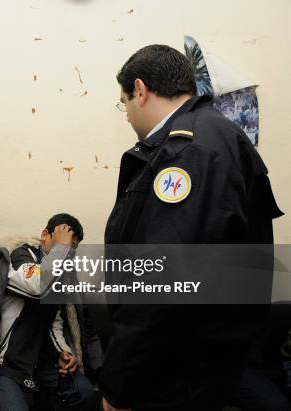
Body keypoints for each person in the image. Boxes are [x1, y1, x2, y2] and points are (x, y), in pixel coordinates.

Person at [101, 44, 283, 411]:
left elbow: (162, 277)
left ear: (140, 90)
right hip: (200, 364)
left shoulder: (189, 150)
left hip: (174, 373)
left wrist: (121, 384)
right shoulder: (216, 135)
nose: (127, 116)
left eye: (125, 103)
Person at [0, 213, 100, 411]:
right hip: (4, 364)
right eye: (63, 243)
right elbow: (37, 286)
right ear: (45, 235)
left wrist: (63, 352)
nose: (68, 252)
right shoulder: (19, 257)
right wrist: (61, 249)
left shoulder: (61, 273)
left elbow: (53, 322)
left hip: (39, 363)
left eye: (71, 248)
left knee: (83, 393)